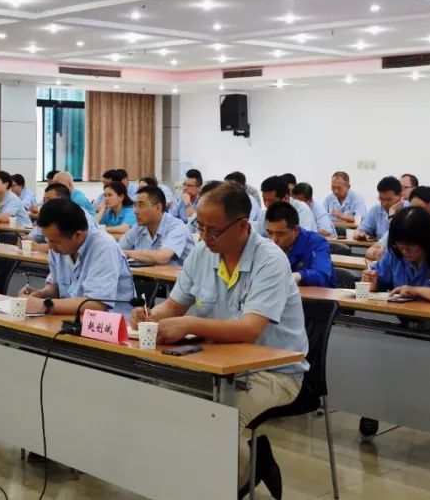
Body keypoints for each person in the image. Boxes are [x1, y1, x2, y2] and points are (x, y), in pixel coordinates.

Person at [129, 183, 307, 496]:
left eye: (213, 230)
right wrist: (151, 315)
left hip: (272, 373)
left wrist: (188, 324)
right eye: (200, 227)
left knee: (218, 417)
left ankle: (231, 483)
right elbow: (174, 305)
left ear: (242, 226)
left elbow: (249, 329)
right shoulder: (202, 253)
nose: (204, 236)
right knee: (163, 400)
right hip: (214, 365)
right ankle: (203, 478)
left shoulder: (270, 260)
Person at [358, 206, 430, 437]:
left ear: (427, 242)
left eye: (412, 248)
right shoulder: (395, 255)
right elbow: (378, 282)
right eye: (401, 247)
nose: (406, 252)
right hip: (405, 329)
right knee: (374, 355)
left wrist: (415, 290)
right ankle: (372, 407)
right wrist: (370, 282)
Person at [19, 198, 136, 317]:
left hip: (109, 322)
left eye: (54, 241)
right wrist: (41, 294)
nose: (51, 246)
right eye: (48, 240)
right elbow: (56, 286)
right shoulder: (58, 244)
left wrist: (44, 305)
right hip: (71, 318)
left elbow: (96, 305)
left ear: (78, 235)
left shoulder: (104, 247)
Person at [364, 186, 430, 261]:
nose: (414, 215)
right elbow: (373, 250)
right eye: (411, 209)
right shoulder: (404, 224)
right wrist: (377, 254)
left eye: (421, 212)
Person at [264, 201, 336, 287]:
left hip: (318, 295)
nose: (273, 239)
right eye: (270, 233)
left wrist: (299, 276)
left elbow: (322, 275)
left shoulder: (317, 242)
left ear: (296, 231)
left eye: (280, 234)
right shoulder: (265, 244)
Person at [119, 185, 192, 266]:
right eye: (135, 206)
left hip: (177, 274)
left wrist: (128, 253)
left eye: (141, 205)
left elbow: (162, 257)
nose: (135, 211)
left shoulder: (176, 227)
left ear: (158, 208)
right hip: (147, 273)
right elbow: (118, 249)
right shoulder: (138, 228)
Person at [354, 176, 406, 240]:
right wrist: (359, 234)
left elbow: (398, 236)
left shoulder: (409, 210)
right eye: (381, 199)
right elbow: (360, 230)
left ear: (400, 196)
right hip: (378, 246)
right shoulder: (376, 209)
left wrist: (392, 213)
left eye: (389, 199)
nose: (384, 203)